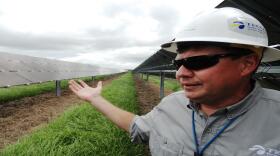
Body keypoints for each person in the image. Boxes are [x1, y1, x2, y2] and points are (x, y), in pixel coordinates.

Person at [69, 7, 280, 156]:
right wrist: (95, 99)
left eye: (198, 62)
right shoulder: (173, 104)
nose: (181, 74)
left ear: (247, 63)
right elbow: (139, 127)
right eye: (177, 64)